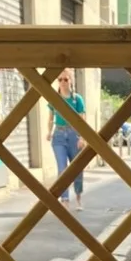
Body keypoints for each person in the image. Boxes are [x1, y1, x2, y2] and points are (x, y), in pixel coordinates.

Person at [47, 68, 86, 210]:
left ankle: (78, 196)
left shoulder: (77, 99)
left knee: (77, 169)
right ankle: (64, 200)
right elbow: (51, 118)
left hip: (73, 134)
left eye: (65, 79)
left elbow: (82, 120)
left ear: (71, 81)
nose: (62, 82)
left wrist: (81, 137)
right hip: (58, 136)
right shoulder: (54, 98)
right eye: (60, 80)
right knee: (62, 169)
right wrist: (48, 132)